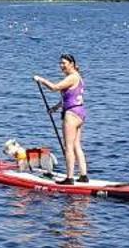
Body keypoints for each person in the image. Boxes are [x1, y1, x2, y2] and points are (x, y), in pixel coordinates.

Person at [33, 54, 89, 184]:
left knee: (68, 147)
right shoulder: (78, 78)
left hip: (71, 115)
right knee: (76, 146)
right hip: (80, 112)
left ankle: (69, 178)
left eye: (64, 63)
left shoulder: (72, 77)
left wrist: (40, 79)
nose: (61, 66)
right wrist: (56, 108)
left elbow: (54, 88)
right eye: (60, 63)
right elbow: (69, 97)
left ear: (72, 64)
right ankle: (83, 175)